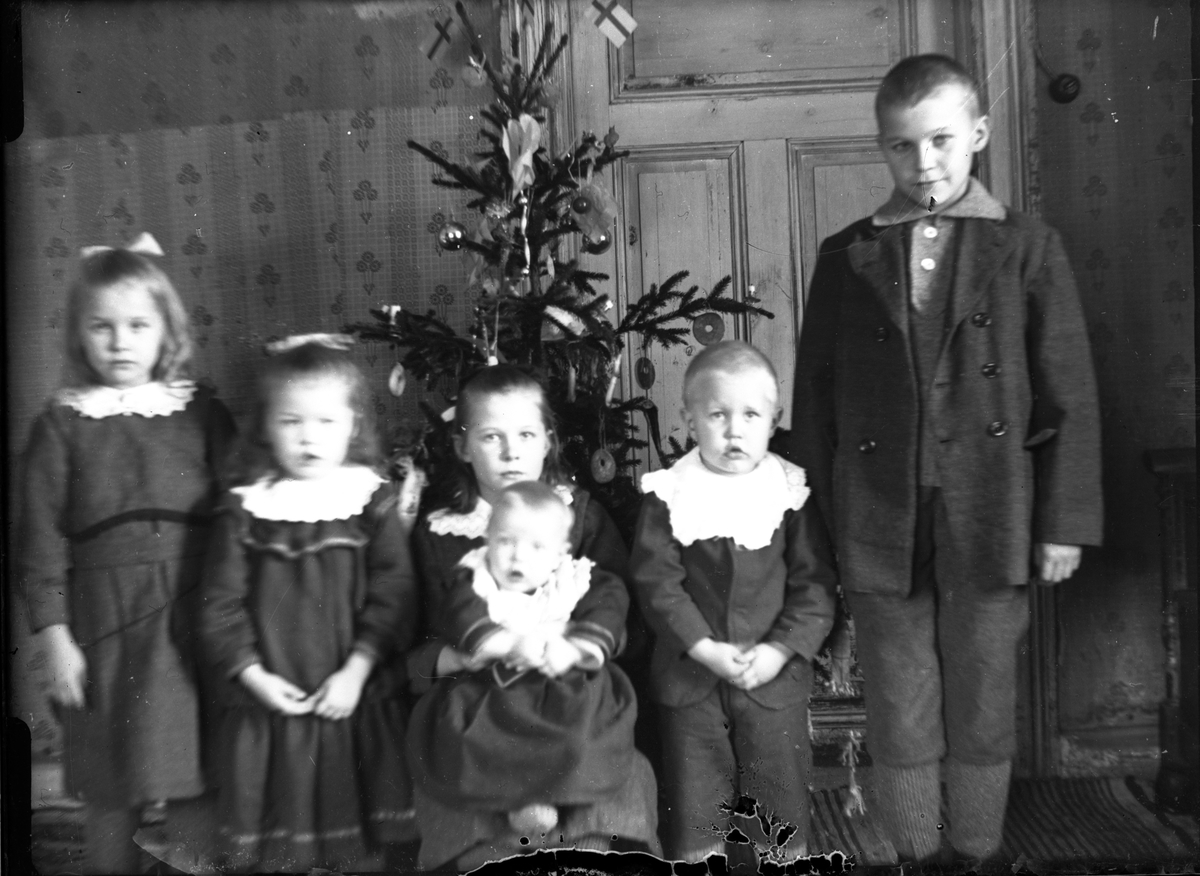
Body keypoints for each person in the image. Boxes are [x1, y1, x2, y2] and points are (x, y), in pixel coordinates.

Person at [789, 54, 1103, 865]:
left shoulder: (1027, 246)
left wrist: (1062, 524)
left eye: (940, 140)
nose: (923, 162)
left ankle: (975, 849)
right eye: (902, 146)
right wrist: (818, 528)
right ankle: (916, 851)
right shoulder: (846, 254)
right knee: (899, 695)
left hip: (993, 510)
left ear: (979, 134)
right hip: (878, 514)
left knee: (983, 686)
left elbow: (1069, 394)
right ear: (882, 148)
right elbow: (814, 407)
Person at [16, 232, 236, 873]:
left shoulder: (201, 412)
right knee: (111, 778)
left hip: (192, 613)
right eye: (102, 326)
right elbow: (38, 539)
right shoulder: (60, 423)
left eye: (138, 325)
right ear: (78, 335)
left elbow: (239, 515)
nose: (120, 342)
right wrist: (54, 636)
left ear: (167, 330)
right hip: (103, 620)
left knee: (197, 768)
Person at [406, 364, 660, 870]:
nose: (510, 452)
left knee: (607, 754)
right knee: (460, 747)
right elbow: (414, 632)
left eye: (525, 435)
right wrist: (457, 655)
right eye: (491, 437)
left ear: (547, 441)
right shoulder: (440, 534)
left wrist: (577, 646)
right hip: (479, 686)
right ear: (462, 447)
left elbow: (617, 608)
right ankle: (491, 852)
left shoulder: (578, 517)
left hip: (566, 678)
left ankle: (589, 846)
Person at [200, 337, 418, 872]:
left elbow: (395, 593)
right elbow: (218, 604)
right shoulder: (245, 508)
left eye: (325, 421)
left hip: (353, 692)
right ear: (265, 427)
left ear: (352, 426)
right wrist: (253, 677)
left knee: (364, 844)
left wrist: (356, 671)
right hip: (274, 698)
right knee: (281, 850)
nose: (308, 437)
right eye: (290, 421)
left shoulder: (370, 499)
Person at [629, 340, 837, 865]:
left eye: (750, 415)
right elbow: (657, 584)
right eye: (717, 415)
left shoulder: (789, 492)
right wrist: (704, 648)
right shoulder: (669, 493)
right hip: (690, 678)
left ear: (774, 420)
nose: (734, 431)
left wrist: (780, 651)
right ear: (689, 420)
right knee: (697, 800)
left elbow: (814, 585)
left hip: (773, 677)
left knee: (779, 794)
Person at [408, 481, 636, 842]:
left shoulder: (574, 579)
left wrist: (573, 649)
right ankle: (518, 802)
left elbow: (610, 605)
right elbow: (460, 613)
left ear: (561, 553)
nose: (518, 557)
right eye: (505, 542)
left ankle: (554, 797)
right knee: (467, 736)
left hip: (561, 684)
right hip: (491, 688)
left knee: (580, 733)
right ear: (487, 539)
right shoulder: (476, 579)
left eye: (537, 546)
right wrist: (509, 643)